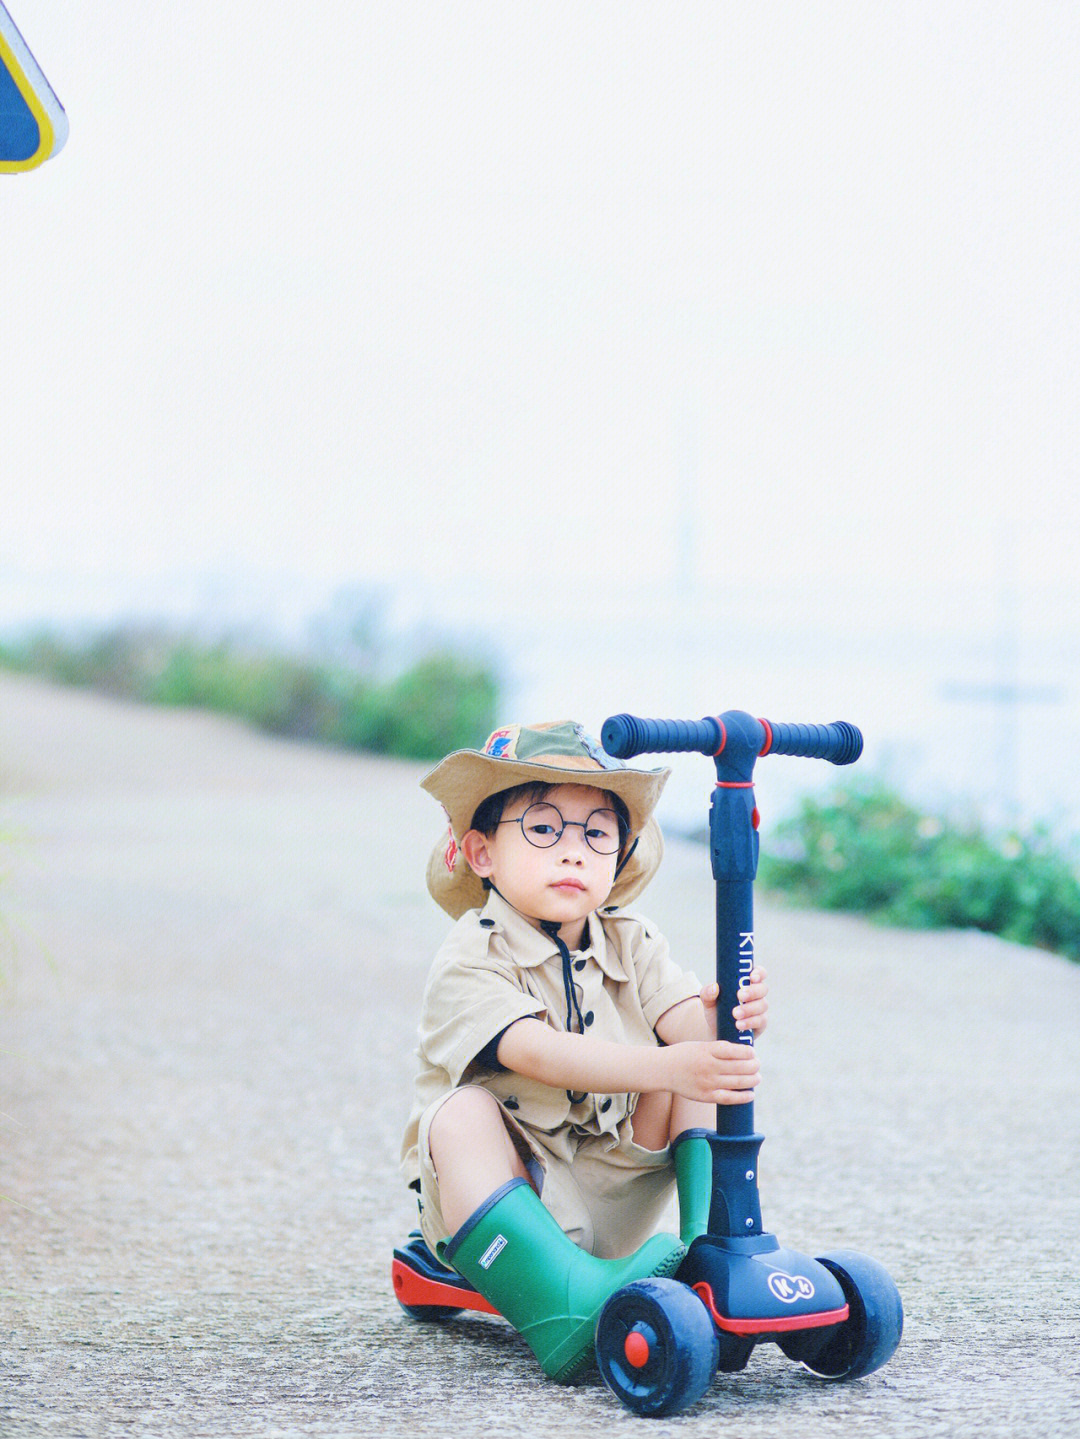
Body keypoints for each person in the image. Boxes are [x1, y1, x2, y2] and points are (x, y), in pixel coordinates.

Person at [400, 721, 768, 1382]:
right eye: (544, 828)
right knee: (458, 1114)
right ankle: (561, 1308)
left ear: (619, 857)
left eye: (597, 833)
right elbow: (537, 1051)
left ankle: (704, 1245)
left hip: (614, 1182)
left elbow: (689, 1034)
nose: (574, 852)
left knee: (696, 1062)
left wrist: (727, 1017)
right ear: (482, 853)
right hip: (522, 1202)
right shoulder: (470, 954)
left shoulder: (633, 938)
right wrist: (670, 1062)